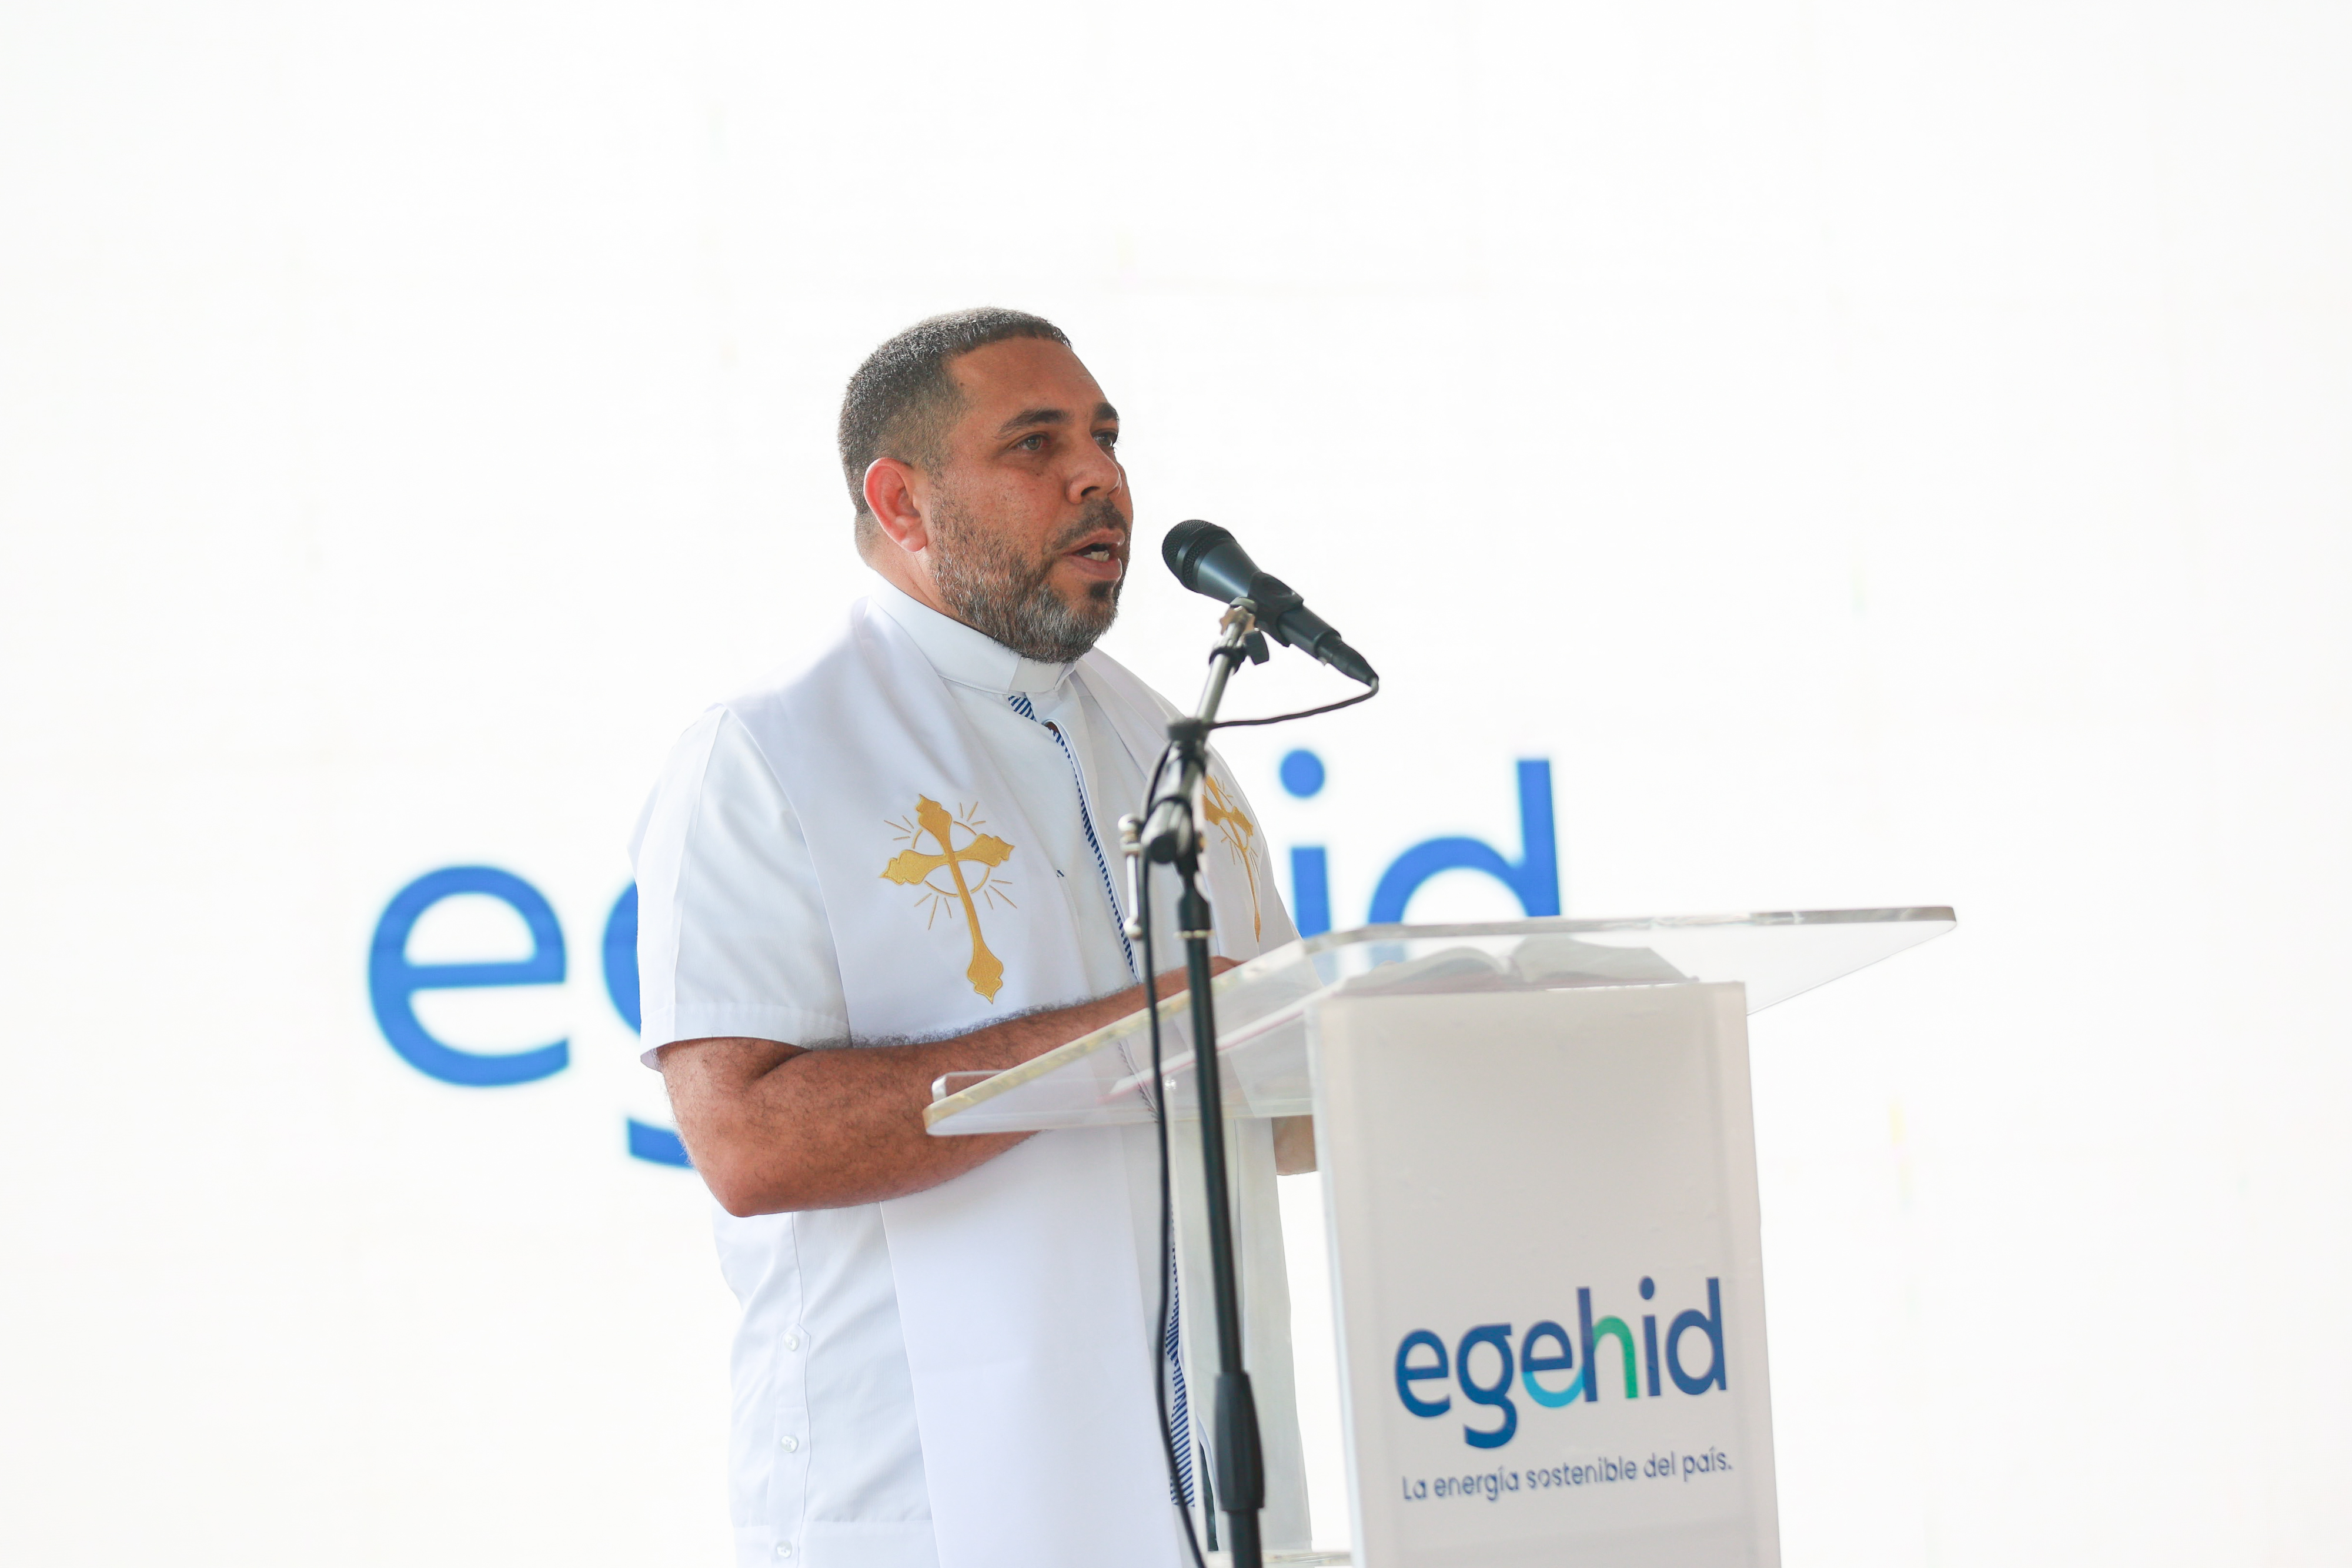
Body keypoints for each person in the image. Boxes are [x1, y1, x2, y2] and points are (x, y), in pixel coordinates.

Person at [632, 309, 1308, 1568]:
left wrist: (1423, 1049)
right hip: (921, 1512)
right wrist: (1137, 1036)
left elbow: (1271, 1091)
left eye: (1106, 436)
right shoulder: (771, 753)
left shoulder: (1175, 749)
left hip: (1202, 1514)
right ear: (903, 503)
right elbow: (749, 1141)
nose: (1098, 475)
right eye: (1035, 442)